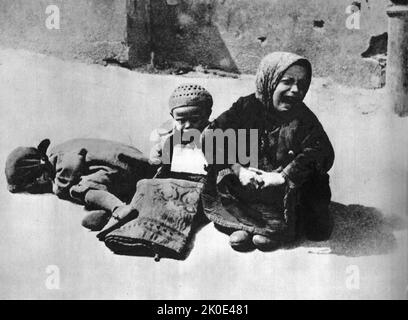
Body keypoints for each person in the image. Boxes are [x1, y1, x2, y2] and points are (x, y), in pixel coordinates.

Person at [201, 52, 335, 252]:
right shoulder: (245, 107)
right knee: (223, 176)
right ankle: (243, 225)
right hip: (247, 183)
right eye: (287, 82)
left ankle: (269, 229)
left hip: (282, 191)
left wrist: (282, 177)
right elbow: (211, 136)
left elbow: (322, 152)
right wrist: (239, 170)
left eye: (302, 84)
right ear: (269, 81)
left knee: (308, 197)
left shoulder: (304, 118)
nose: (295, 90)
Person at [5, 138, 156, 231]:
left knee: (77, 190)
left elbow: (73, 163)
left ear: (39, 176)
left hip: (124, 168)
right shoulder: (58, 157)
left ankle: (118, 208)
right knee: (86, 191)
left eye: (33, 188)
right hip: (121, 171)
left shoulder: (59, 157)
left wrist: (60, 187)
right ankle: (110, 209)